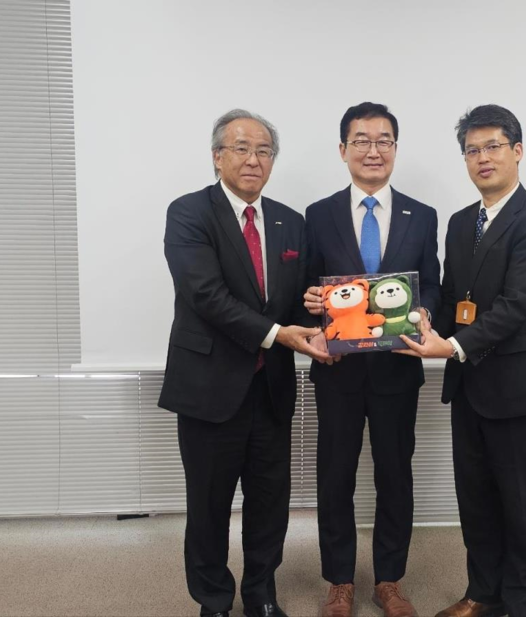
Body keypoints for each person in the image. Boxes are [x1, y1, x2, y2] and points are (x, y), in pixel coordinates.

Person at [397, 104, 526, 617]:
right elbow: (455, 298)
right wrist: (425, 322)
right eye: (472, 150)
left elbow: (518, 304)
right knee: (476, 501)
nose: (482, 158)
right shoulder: (460, 222)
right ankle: (483, 594)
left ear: (517, 151)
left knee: (522, 506)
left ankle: (521, 606)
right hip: (469, 387)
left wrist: (452, 347)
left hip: (521, 389)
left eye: (493, 146)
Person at [158, 109, 328, 617]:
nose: (254, 159)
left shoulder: (289, 221)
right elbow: (205, 295)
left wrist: (316, 314)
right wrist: (279, 334)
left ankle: (261, 593)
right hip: (209, 387)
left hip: (270, 389)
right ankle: (213, 599)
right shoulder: (189, 213)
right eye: (241, 148)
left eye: (264, 151)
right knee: (208, 505)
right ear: (217, 157)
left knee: (270, 502)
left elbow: (297, 301)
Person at [303, 102, 441, 617]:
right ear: (343, 150)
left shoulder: (422, 215)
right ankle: (339, 582)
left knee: (394, 476)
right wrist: (311, 307)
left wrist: (424, 311)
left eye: (384, 140)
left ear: (395, 149)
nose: (373, 150)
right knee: (334, 476)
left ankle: (389, 580)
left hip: (397, 371)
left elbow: (434, 286)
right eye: (361, 140)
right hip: (336, 371)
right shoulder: (317, 214)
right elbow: (306, 289)